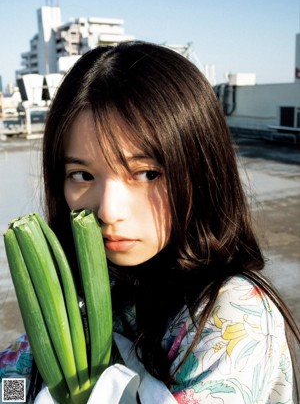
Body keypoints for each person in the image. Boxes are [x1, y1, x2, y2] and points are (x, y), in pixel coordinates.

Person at [1, 41, 299, 403]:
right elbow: (16, 373)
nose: (108, 212)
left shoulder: (233, 314)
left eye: (147, 173)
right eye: (81, 174)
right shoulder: (89, 289)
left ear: (201, 170)